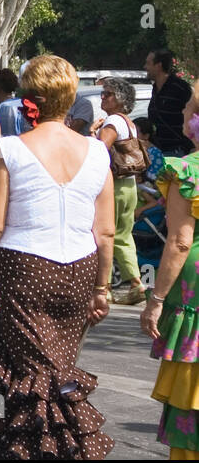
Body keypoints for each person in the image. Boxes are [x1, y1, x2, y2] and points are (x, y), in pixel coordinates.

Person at [0, 54, 115, 459]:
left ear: (30, 99)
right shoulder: (97, 153)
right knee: (57, 373)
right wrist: (102, 288)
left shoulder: (9, 150)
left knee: (34, 378)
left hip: (26, 269)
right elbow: (106, 231)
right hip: (80, 270)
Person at [141, 82, 199, 460]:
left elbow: (179, 241)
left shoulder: (188, 171)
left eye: (189, 108)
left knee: (191, 390)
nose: (181, 114)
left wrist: (156, 299)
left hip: (194, 289)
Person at [95, 76, 147, 305]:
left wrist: (91, 132)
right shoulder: (130, 122)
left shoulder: (113, 122)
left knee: (104, 235)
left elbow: (99, 150)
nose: (102, 97)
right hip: (130, 185)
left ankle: (103, 288)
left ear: (120, 99)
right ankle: (136, 284)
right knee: (124, 237)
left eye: (108, 94)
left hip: (113, 186)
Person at [146, 49, 194, 157]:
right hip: (158, 150)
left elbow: (194, 115)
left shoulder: (180, 87)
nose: (145, 67)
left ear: (158, 65)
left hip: (178, 152)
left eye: (148, 63)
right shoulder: (155, 88)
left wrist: (191, 146)